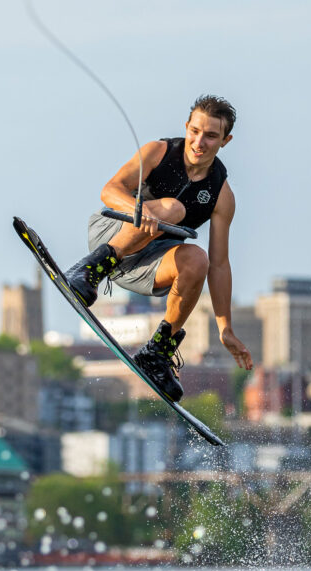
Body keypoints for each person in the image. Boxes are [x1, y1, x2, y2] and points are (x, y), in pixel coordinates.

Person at [64, 94, 253, 402]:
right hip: (112, 233)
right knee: (174, 209)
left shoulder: (221, 195)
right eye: (195, 131)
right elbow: (110, 190)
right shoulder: (159, 151)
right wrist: (143, 211)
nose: (199, 142)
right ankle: (88, 270)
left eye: (211, 136)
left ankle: (157, 353)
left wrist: (225, 328)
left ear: (225, 141)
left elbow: (220, 265)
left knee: (198, 259)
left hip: (148, 262)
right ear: (186, 126)